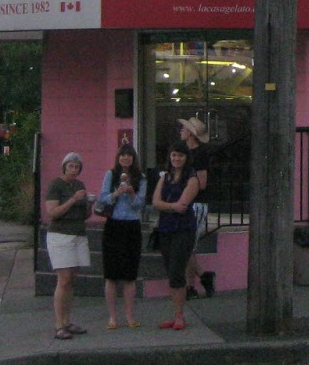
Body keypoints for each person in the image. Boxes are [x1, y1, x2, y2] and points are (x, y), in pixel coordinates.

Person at [152, 142, 201, 330]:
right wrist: (171, 206)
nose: (176, 159)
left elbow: (183, 205)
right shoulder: (165, 177)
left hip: (184, 229)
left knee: (176, 271)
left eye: (180, 155)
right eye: (173, 155)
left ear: (186, 157)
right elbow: (155, 202)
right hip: (165, 229)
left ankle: (180, 315)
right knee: (170, 272)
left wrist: (168, 206)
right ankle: (175, 313)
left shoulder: (192, 178)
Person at [43, 151, 91, 341]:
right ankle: (58, 324)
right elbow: (52, 213)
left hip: (78, 234)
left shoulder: (80, 185)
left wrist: (89, 205)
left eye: (77, 167)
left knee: (72, 278)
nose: (74, 169)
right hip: (60, 235)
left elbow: (84, 215)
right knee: (63, 279)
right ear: (64, 167)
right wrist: (73, 200)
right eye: (70, 166)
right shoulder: (56, 185)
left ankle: (67, 320)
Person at [97, 143, 146, 329]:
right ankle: (112, 317)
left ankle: (129, 316)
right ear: (118, 158)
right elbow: (102, 198)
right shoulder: (111, 175)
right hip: (114, 226)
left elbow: (140, 204)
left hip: (132, 226)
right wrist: (116, 193)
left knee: (129, 275)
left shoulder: (140, 178)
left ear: (133, 158)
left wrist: (132, 192)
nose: (125, 158)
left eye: (129, 155)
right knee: (111, 274)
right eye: (122, 155)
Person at [177, 117, 216, 299]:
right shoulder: (186, 152)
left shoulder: (200, 154)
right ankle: (191, 284)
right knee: (189, 246)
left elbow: (203, 183)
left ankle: (200, 277)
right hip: (188, 202)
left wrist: (186, 190)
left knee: (187, 245)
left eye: (184, 129)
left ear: (191, 134)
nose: (181, 131)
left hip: (196, 203)